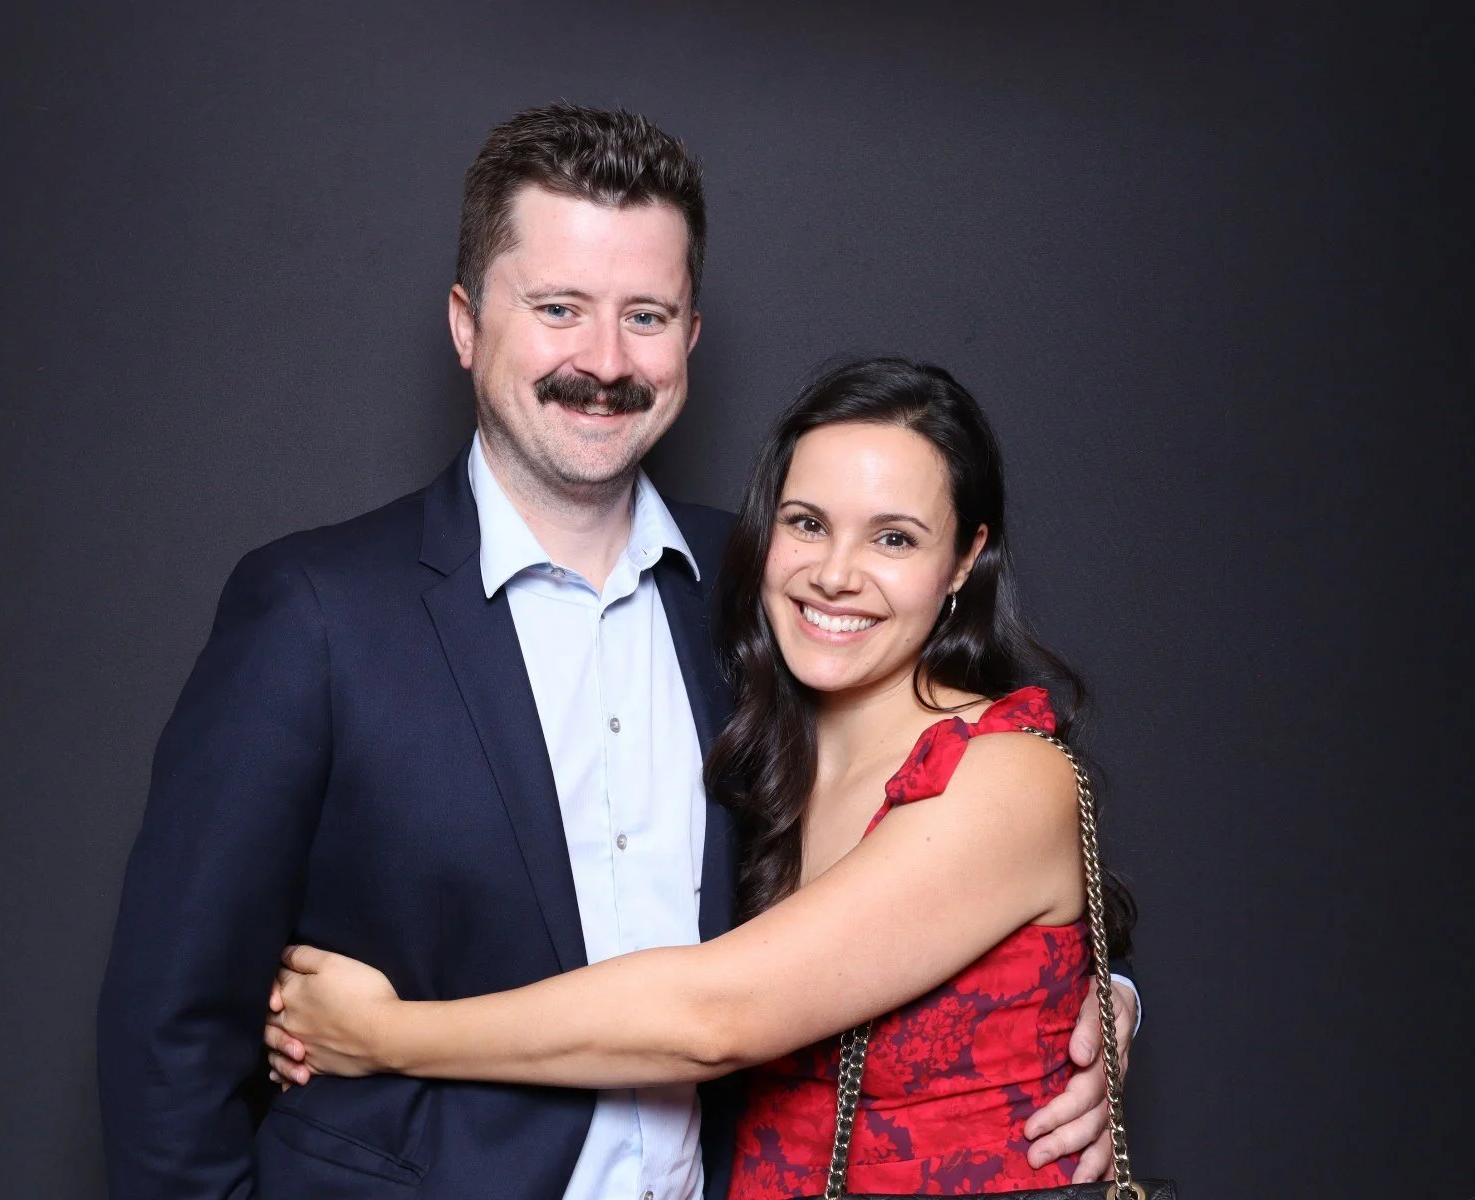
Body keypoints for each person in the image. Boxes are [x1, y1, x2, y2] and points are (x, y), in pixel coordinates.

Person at [97, 103, 1132, 1200]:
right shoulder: (313, 612)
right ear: (466, 324)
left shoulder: (768, 596)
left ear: (691, 337)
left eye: (646, 316)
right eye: (559, 309)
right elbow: (171, 1029)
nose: (603, 361)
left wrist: (1089, 1005)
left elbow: (937, 833)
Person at [263, 357, 1139, 1196]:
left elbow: (720, 1016)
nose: (836, 574)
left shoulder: (1003, 771)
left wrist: (382, 1035)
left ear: (964, 559)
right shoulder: (757, 731)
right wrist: (1112, 997)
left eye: (894, 539)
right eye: (807, 523)